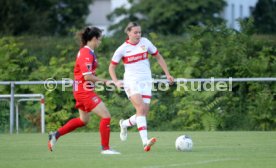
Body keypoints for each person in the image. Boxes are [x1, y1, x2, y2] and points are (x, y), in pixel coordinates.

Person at [48, 27, 120, 155]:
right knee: (106, 116)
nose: (100, 42)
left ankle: (56, 134)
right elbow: (87, 77)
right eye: (99, 39)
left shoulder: (88, 52)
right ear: (93, 39)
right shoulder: (86, 53)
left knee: (83, 120)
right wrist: (106, 81)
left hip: (82, 90)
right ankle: (106, 149)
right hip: (84, 91)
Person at [109, 22, 174, 152]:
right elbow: (112, 67)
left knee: (143, 112)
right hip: (131, 82)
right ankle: (145, 142)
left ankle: (124, 124)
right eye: (135, 32)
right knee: (140, 108)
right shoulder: (122, 49)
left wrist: (167, 74)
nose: (138, 34)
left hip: (146, 81)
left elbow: (159, 57)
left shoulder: (145, 42)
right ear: (128, 33)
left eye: (139, 32)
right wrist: (116, 81)